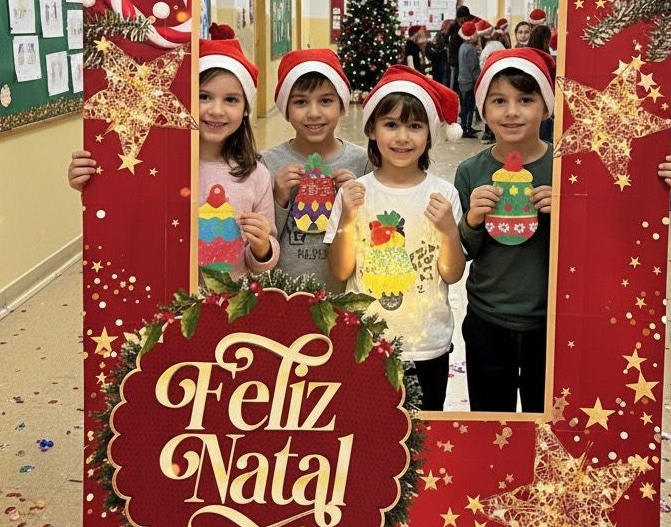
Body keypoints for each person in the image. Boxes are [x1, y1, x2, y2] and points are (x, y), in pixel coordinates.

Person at [456, 49, 671, 412]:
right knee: (492, 419)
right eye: (499, 101)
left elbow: (617, 214)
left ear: (547, 107)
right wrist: (472, 221)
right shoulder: (470, 172)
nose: (511, 112)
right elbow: (466, 251)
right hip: (487, 319)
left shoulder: (573, 167)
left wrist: (657, 181)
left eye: (525, 100)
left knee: (548, 418)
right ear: (482, 109)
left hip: (557, 323)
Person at [68, 26, 278, 279]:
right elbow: (121, 209)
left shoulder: (256, 175)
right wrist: (92, 183)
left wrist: (262, 248)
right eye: (204, 96)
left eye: (231, 99)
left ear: (245, 109)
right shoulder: (155, 164)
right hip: (162, 291)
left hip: (226, 298)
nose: (216, 110)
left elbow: (264, 257)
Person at [325, 67, 465, 411]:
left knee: (424, 431)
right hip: (367, 340)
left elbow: (451, 274)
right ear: (372, 129)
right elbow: (341, 271)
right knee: (368, 428)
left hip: (427, 346)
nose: (402, 137)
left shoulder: (443, 195)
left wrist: (449, 230)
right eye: (391, 124)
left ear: (430, 134)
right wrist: (347, 219)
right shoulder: (354, 193)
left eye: (415, 126)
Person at [260, 48, 370, 290]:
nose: (314, 113)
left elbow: (372, 237)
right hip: (284, 295)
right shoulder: (267, 163)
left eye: (326, 101)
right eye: (300, 102)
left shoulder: (362, 162)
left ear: (342, 105)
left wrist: (355, 204)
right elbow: (261, 245)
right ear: (286, 108)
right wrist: (278, 198)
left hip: (344, 294)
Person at [458, 18, 491, 138]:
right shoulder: (471, 49)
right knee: (470, 107)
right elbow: (474, 68)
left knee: (465, 106)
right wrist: (479, 81)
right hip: (469, 82)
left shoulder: (462, 46)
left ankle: (465, 127)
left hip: (462, 80)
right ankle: (466, 129)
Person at [448, 4, 472, 94]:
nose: (463, 22)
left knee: (461, 84)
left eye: (465, 19)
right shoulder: (454, 27)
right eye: (461, 20)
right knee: (454, 84)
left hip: (463, 60)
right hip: (455, 61)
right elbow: (447, 41)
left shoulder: (467, 26)